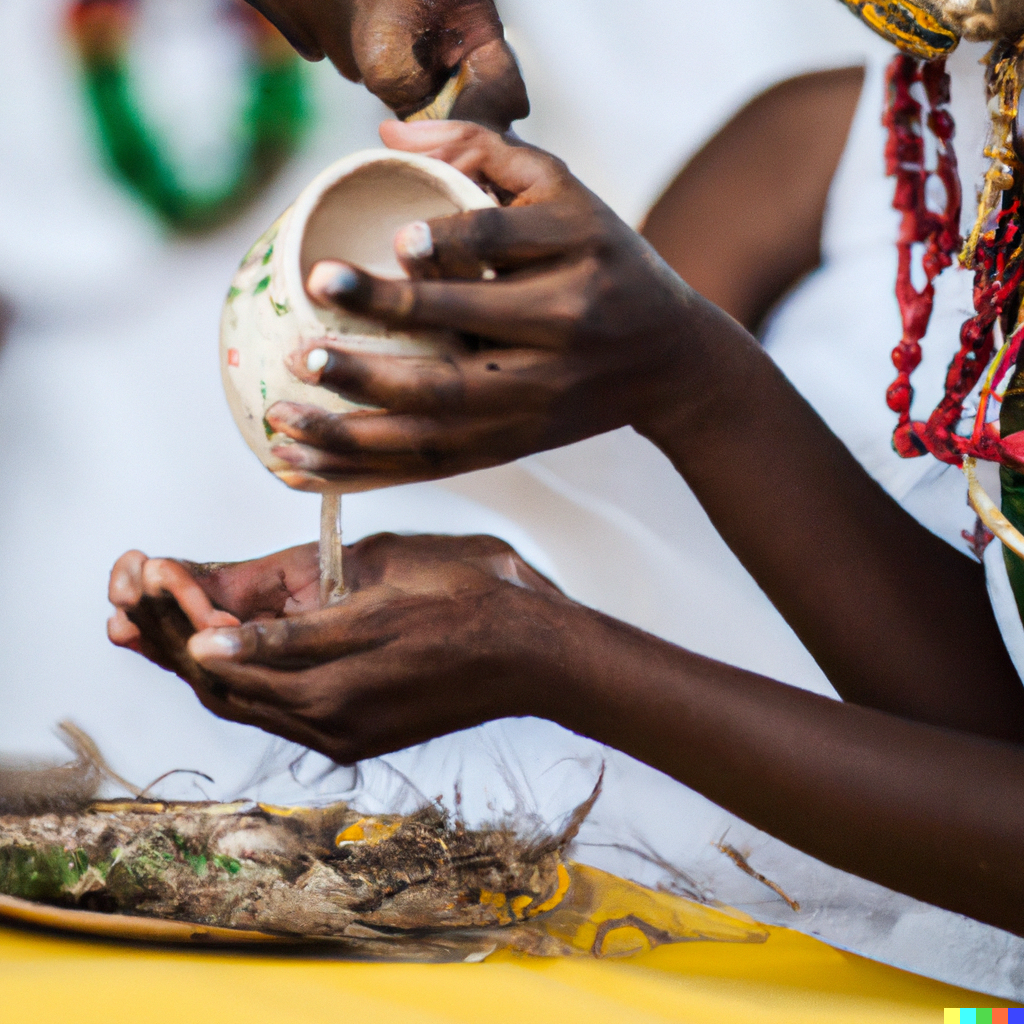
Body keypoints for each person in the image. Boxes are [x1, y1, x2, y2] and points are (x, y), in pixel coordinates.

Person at [108, 33, 1024, 964]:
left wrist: (541, 645)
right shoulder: (855, 134)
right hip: (655, 912)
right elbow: (974, 718)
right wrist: (482, 592)